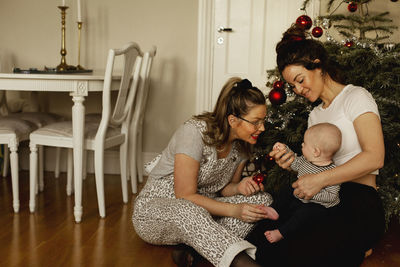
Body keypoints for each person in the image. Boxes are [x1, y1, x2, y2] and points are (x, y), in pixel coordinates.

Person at [246, 24, 385, 267]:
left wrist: (321, 179)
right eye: (293, 86)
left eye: (300, 80)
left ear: (318, 65)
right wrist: (292, 163)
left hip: (358, 199)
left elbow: (375, 157)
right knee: (264, 236)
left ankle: (353, 247)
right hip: (320, 200)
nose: (298, 90)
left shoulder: (356, 97)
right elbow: (314, 165)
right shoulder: (315, 116)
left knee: (298, 252)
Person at [132, 77, 279, 267]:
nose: (262, 128)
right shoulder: (193, 133)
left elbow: (225, 188)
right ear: (233, 120)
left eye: (263, 120)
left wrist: (239, 187)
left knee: (261, 200)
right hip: (158, 212)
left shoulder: (243, 146)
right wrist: (235, 210)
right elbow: (184, 195)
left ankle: (194, 251)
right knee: (187, 208)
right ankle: (243, 263)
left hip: (204, 211)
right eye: (256, 122)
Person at [264, 123, 342, 243]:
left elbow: (331, 197)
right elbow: (294, 162)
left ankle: (281, 232)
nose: (302, 145)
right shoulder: (306, 161)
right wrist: (284, 150)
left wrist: (311, 194)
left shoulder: (333, 173)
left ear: (316, 152)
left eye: (304, 143)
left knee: (306, 213)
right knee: (287, 189)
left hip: (320, 207)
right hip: (301, 198)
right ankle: (275, 210)